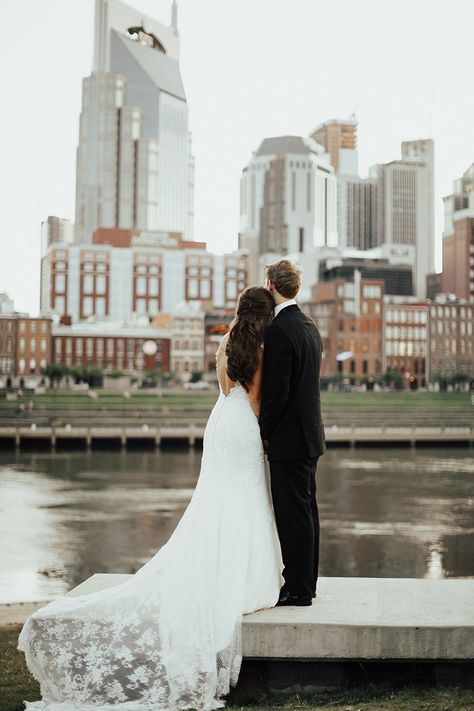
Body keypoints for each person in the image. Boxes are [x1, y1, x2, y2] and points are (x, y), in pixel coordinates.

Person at [17, 286, 283, 711]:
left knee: (213, 497)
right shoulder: (263, 347)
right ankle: (244, 575)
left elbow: (224, 389)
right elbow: (253, 400)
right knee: (244, 496)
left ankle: (212, 563)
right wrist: (265, 434)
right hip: (242, 426)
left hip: (219, 422)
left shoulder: (227, 342)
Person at [259, 259, 326, 607]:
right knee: (307, 512)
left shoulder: (279, 329)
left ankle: (298, 589)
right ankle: (306, 583)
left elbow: (278, 391)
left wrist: (263, 431)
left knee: (292, 514)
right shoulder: (308, 325)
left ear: (271, 285)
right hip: (310, 436)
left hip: (289, 439)